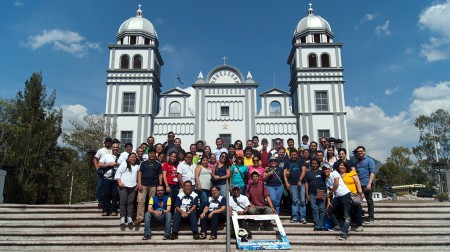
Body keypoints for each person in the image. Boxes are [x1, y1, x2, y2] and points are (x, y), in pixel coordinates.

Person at [323, 163, 351, 240]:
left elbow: (336, 184)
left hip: (345, 194)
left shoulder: (335, 173)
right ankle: (336, 225)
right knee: (328, 211)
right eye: (324, 170)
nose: (326, 171)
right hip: (337, 197)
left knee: (346, 216)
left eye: (327, 169)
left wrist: (331, 192)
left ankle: (344, 233)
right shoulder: (326, 180)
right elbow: (328, 191)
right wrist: (328, 201)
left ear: (330, 169)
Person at [135, 147, 163, 225]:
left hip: (154, 185)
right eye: (150, 153)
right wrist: (139, 183)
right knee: (141, 201)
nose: (152, 155)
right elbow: (139, 173)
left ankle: (151, 218)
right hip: (143, 185)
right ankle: (140, 218)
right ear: (148, 154)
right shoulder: (143, 163)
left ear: (155, 154)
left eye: (153, 153)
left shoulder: (158, 164)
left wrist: (160, 185)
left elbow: (160, 175)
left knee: (152, 202)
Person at [338, 161, 364, 232]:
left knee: (356, 210)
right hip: (343, 195)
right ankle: (348, 225)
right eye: (340, 165)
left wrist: (360, 192)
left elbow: (357, 182)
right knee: (346, 211)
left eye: (343, 165)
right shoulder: (338, 175)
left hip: (353, 194)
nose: (342, 167)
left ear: (346, 167)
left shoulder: (352, 173)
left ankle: (359, 225)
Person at [283, 148, 307, 224]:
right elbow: (285, 173)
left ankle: (303, 217)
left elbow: (304, 170)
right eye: (292, 155)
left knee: (303, 201)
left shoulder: (301, 161)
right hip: (292, 184)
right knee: (294, 201)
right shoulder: (287, 162)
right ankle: (295, 217)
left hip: (301, 183)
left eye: (294, 154)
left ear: (297, 154)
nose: (293, 156)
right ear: (290, 155)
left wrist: (300, 180)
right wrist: (286, 183)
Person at [115, 152, 139, 225]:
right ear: (128, 158)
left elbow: (139, 176)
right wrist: (119, 182)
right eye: (131, 157)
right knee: (123, 202)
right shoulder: (124, 164)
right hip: (124, 186)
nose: (133, 158)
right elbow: (118, 174)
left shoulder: (138, 166)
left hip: (133, 187)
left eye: (134, 157)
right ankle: (122, 217)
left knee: (131, 202)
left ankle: (129, 217)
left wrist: (137, 185)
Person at [97, 142, 121, 216]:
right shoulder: (106, 156)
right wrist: (108, 164)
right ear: (112, 148)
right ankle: (105, 210)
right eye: (114, 147)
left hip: (116, 179)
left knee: (114, 195)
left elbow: (125, 165)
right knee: (106, 194)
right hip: (107, 178)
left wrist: (117, 164)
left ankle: (114, 210)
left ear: (118, 148)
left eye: (117, 147)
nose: (115, 149)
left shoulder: (121, 156)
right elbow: (99, 164)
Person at [355, 146, 376, 224]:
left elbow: (372, 172)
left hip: (368, 183)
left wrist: (369, 183)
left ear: (364, 152)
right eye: (358, 151)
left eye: (361, 151)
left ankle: (371, 218)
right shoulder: (356, 162)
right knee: (358, 201)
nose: (360, 153)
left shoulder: (369, 160)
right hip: (360, 184)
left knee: (369, 200)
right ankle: (359, 217)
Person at [305, 159, 326, 231]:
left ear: (318, 164)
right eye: (312, 163)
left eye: (315, 163)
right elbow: (306, 183)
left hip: (321, 192)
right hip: (312, 193)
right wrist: (307, 194)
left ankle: (322, 225)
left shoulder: (322, 172)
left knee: (321, 209)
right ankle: (317, 225)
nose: (314, 165)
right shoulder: (308, 173)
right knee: (314, 209)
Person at [94, 137, 113, 209]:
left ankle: (108, 201)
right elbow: (95, 159)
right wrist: (97, 168)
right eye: (107, 141)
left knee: (109, 187)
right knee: (100, 186)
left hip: (110, 170)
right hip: (102, 169)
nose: (108, 143)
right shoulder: (100, 150)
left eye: (109, 141)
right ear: (104, 143)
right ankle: (100, 201)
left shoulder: (113, 150)